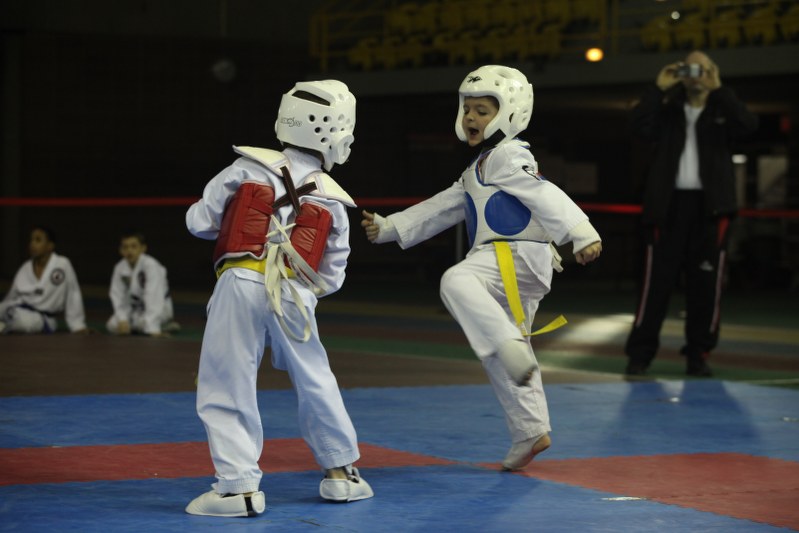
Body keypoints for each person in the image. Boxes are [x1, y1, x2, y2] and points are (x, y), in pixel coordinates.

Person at [361, 65, 602, 471]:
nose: (471, 118)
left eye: (483, 110)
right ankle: (530, 430)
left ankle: (506, 344)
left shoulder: (507, 156)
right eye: (468, 109)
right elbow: (443, 206)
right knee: (506, 355)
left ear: (510, 113)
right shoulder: (481, 166)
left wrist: (581, 231)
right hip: (517, 263)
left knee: (457, 280)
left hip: (510, 256)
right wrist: (391, 227)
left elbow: (543, 192)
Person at [184, 79, 373, 518]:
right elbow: (332, 276)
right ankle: (342, 474)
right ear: (337, 134)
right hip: (293, 292)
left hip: (239, 280)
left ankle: (238, 489)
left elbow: (199, 221)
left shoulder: (243, 169)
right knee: (315, 378)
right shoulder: (334, 200)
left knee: (226, 379)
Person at [624, 50, 758, 377]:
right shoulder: (668, 111)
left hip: (711, 212)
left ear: (713, 71)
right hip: (666, 209)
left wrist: (720, 89)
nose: (696, 74)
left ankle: (699, 354)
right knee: (655, 285)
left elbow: (749, 127)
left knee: (706, 287)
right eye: (690, 68)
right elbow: (639, 126)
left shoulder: (722, 110)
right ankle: (640, 356)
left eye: (703, 68)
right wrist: (658, 88)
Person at [0, 226, 88, 334]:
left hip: (42, 318)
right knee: (7, 311)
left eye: (38, 240)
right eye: (31, 240)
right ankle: (3, 326)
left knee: (23, 321)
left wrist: (78, 325)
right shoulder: (25, 267)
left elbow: (73, 293)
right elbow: (11, 296)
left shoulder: (62, 264)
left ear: (50, 246)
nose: (32, 244)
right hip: (16, 310)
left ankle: (3, 326)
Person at [106, 231, 177, 337]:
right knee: (112, 325)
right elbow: (116, 296)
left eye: (134, 246)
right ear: (120, 250)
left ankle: (160, 324)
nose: (129, 250)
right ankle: (149, 326)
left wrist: (153, 328)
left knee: (145, 325)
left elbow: (154, 297)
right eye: (125, 247)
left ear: (143, 248)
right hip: (136, 310)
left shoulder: (151, 266)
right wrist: (122, 319)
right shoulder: (119, 268)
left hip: (159, 308)